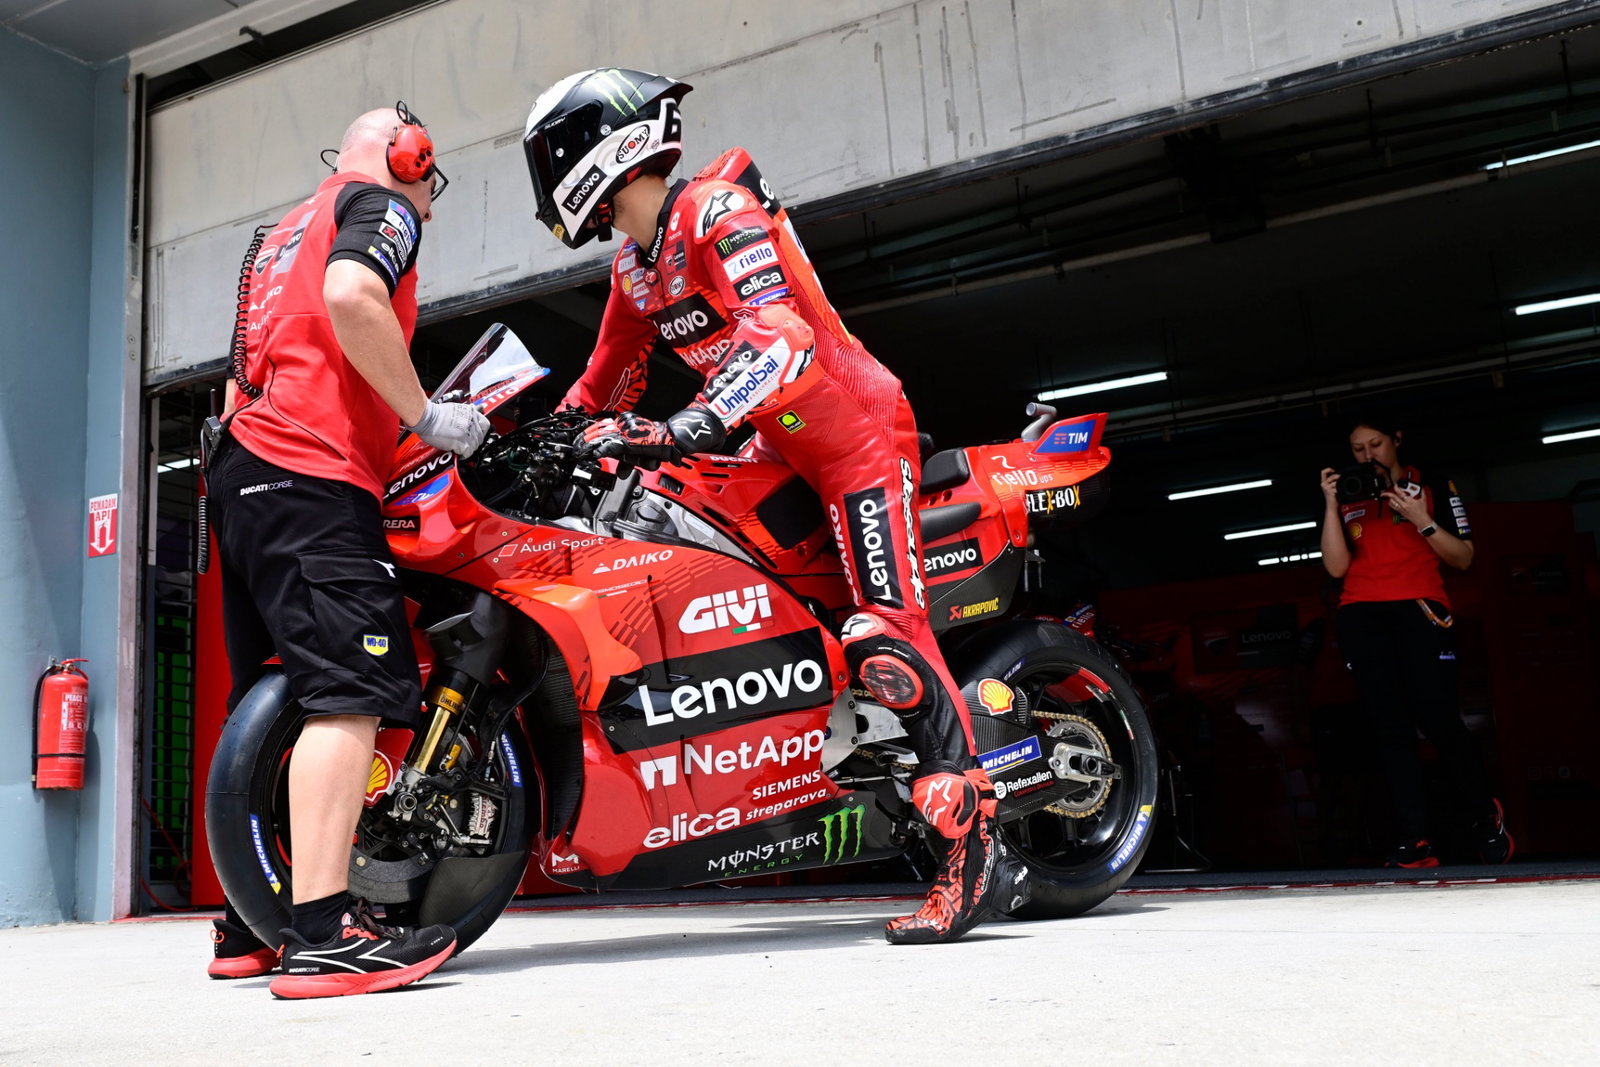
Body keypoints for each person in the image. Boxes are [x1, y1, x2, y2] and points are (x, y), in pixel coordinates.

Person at [521, 68, 1030, 944]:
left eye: (552, 154)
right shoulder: (635, 270)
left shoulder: (717, 212)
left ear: (601, 146)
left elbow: (780, 334)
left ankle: (976, 852)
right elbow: (603, 382)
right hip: (775, 445)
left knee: (886, 632)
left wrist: (691, 421)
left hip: (856, 440)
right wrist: (534, 442)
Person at [203, 103, 489, 998]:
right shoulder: (380, 205)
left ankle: (253, 924)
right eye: (431, 181)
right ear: (410, 155)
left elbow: (241, 373)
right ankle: (326, 937)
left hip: (241, 471)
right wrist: (426, 416)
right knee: (350, 693)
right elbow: (354, 296)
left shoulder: (277, 236)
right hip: (312, 473)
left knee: (269, 708)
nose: (430, 204)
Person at [1318, 419, 1513, 868]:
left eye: (1376, 443)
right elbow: (1336, 568)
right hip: (1362, 612)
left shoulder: (1432, 486)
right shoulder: (1348, 493)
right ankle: (1415, 838)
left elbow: (1463, 558)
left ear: (1397, 440)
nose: (1368, 455)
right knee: (1390, 728)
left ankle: (1486, 818)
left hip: (1421, 608)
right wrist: (1330, 503)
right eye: (1358, 448)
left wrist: (1421, 519)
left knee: (1438, 718)